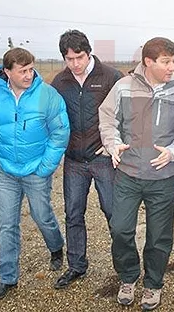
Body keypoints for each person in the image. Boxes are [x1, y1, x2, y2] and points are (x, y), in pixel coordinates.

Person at [98, 37, 174, 310]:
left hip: (164, 177)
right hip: (127, 174)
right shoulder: (123, 87)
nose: (173, 68)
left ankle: (153, 283)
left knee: (159, 235)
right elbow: (107, 118)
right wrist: (113, 144)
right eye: (167, 62)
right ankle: (128, 277)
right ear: (149, 62)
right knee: (120, 229)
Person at [0, 47, 69, 301]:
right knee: (7, 223)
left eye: (31, 69)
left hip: (36, 170)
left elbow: (60, 132)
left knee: (42, 215)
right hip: (5, 170)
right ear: (7, 72)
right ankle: (7, 277)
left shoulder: (47, 95)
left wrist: (46, 165)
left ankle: (56, 246)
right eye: (22, 71)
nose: (29, 75)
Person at [50, 30, 123, 289]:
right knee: (73, 214)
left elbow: (126, 114)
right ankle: (77, 265)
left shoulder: (111, 77)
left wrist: (114, 145)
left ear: (89, 52)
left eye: (79, 57)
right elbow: (52, 118)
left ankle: (124, 266)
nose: (75, 64)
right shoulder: (60, 82)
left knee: (114, 212)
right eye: (69, 59)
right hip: (74, 161)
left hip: (103, 158)